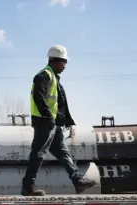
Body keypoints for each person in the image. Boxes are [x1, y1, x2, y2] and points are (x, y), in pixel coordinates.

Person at [21, 45, 97, 196]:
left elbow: (57, 102)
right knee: (38, 153)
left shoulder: (53, 78)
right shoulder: (44, 75)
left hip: (52, 123)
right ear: (55, 61)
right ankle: (28, 187)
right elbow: (38, 96)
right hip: (44, 121)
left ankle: (77, 180)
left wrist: (63, 119)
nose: (65, 66)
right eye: (63, 62)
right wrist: (48, 116)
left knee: (62, 152)